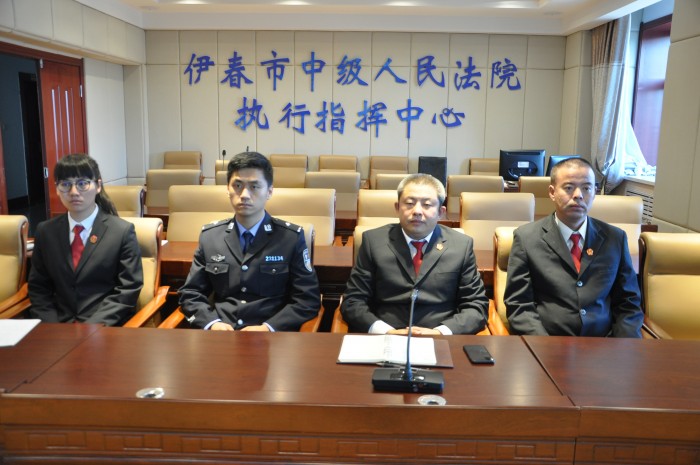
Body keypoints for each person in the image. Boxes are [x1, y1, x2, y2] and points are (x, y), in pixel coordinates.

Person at [178, 151, 320, 331]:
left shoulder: (290, 238)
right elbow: (190, 293)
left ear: (269, 192)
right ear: (227, 189)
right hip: (221, 335)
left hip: (272, 338)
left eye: (254, 186)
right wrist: (212, 323)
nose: (244, 194)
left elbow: (307, 299)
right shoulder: (210, 236)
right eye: (237, 185)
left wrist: (268, 328)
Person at [505, 157, 643, 337]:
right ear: (552, 192)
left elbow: (628, 304)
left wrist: (622, 347)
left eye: (586, 188)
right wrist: (543, 346)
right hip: (548, 343)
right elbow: (519, 306)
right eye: (569, 188)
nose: (578, 195)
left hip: (604, 344)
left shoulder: (615, 238)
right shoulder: (527, 238)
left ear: (595, 192)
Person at [341, 173, 488, 335]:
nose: (417, 211)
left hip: (440, 338)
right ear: (397, 208)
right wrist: (385, 331)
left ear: (441, 212)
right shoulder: (373, 241)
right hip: (386, 336)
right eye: (409, 203)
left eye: (427, 205)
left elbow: (476, 306)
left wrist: (441, 332)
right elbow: (353, 301)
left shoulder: (461, 246)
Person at [28, 154, 143, 325]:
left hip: (104, 327)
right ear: (57, 189)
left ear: (98, 186)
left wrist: (91, 328)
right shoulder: (45, 231)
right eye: (65, 184)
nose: (74, 192)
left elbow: (128, 289)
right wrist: (52, 327)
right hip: (57, 327)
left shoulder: (122, 232)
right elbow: (38, 287)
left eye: (82, 184)